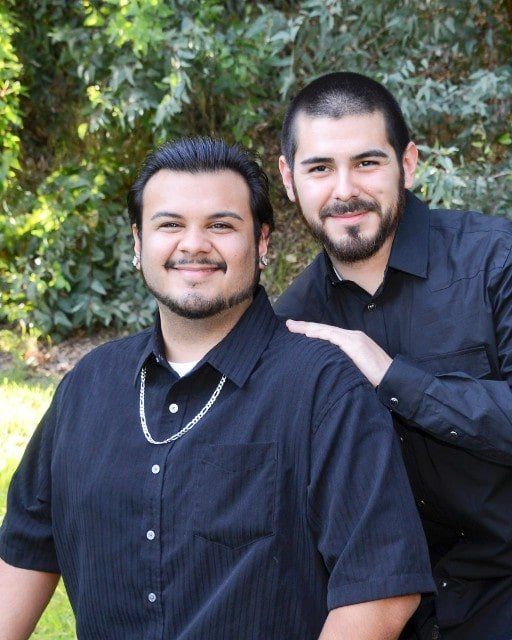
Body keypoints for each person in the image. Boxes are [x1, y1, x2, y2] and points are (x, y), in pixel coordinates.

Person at [0, 137, 434, 639]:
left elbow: (381, 593)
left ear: (262, 242)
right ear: (138, 244)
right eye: (169, 225)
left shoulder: (323, 387)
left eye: (221, 225)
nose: (193, 244)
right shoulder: (87, 386)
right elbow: (25, 552)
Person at [275, 71, 512, 640]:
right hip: (383, 614)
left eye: (367, 162)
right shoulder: (292, 321)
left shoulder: (496, 259)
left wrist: (391, 376)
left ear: (407, 164)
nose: (344, 190)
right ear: (288, 179)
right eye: (319, 168)